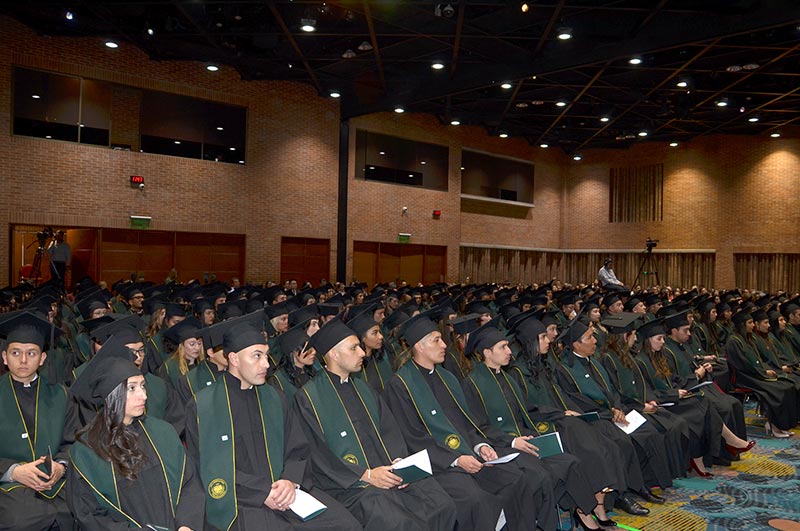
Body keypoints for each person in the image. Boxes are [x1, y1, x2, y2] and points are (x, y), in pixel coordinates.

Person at [384, 314, 557, 531]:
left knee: (516, 479)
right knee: (476, 499)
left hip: (469, 454)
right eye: (437, 340)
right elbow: (412, 437)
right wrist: (456, 459)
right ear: (419, 346)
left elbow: (467, 423)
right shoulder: (400, 385)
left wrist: (480, 446)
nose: (444, 344)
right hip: (439, 464)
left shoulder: (448, 378)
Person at [185, 320, 362, 531]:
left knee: (346, 524)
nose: (267, 364)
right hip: (242, 500)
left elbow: (298, 449)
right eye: (257, 356)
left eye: (267, 355)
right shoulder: (204, 406)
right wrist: (263, 493)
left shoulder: (274, 398)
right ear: (234, 358)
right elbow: (211, 467)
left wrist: (290, 480)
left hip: (287, 493)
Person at [293, 317, 457, 530]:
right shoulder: (308, 398)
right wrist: (367, 475)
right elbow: (318, 456)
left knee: (440, 503)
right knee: (397, 520)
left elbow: (390, 431)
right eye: (354, 348)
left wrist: (400, 466)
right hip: (349, 485)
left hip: (387, 473)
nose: (362, 353)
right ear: (334, 354)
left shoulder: (364, 389)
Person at [461, 322, 609, 531]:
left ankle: (583, 512)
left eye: (508, 346)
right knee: (541, 476)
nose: (509, 351)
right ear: (487, 352)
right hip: (502, 446)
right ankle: (547, 525)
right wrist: (512, 441)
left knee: (570, 461)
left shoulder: (507, 378)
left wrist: (542, 427)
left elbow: (526, 412)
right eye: (503, 347)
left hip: (524, 438)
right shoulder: (472, 383)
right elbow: (478, 426)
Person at [67, 337, 205, 530]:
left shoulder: (163, 432)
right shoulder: (86, 451)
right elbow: (89, 514)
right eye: (131, 388)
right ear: (111, 394)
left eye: (142, 385)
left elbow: (189, 482)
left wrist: (186, 524)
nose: (144, 395)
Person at [635, 318, 755, 478]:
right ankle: (728, 443)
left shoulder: (658, 357)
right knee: (699, 410)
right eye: (659, 339)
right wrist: (675, 393)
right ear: (647, 340)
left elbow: (674, 379)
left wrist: (684, 386)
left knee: (702, 403)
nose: (663, 342)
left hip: (673, 398)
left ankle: (709, 455)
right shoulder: (640, 362)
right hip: (663, 403)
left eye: (663, 338)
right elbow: (647, 393)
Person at [0, 312, 78, 531]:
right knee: (21, 519)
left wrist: (61, 466)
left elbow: (74, 441)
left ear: (42, 358)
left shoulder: (61, 394)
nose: (23, 360)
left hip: (55, 482)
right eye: (16, 352)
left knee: (79, 510)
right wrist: (13, 471)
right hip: (9, 485)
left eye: (31, 353)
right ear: (4, 357)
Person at [726, 311, 798, 437]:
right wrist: (763, 372)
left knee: (788, 385)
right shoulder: (733, 341)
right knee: (778, 391)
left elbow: (758, 360)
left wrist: (765, 370)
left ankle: (782, 425)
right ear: (742, 325)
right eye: (749, 323)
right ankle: (775, 426)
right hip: (745, 377)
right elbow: (743, 365)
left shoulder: (747, 338)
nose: (753, 325)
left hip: (755, 374)